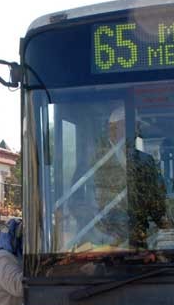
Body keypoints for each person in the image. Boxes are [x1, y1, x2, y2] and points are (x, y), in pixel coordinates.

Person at [67, 105, 166, 249]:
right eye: (133, 126)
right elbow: (75, 200)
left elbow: (155, 198)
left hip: (138, 239)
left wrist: (163, 225)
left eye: (137, 127)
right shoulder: (92, 159)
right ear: (113, 128)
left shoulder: (146, 160)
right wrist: (97, 223)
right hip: (103, 241)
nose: (137, 131)